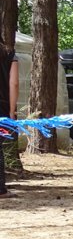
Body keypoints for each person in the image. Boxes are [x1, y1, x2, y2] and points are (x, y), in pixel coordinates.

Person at [0, 40, 18, 199]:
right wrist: (12, 111)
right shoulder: (8, 53)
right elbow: (14, 83)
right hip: (2, 106)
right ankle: (0, 189)